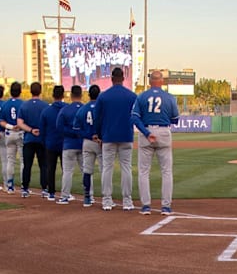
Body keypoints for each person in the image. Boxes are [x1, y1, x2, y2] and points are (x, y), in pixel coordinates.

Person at [131, 70, 180, 216]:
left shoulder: (142, 96)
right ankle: (166, 206)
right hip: (164, 132)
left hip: (146, 131)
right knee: (166, 171)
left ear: (150, 81)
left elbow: (134, 117)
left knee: (144, 171)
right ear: (162, 81)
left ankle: (146, 206)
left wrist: (147, 133)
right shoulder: (169, 98)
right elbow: (175, 119)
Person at [93, 67, 137, 211]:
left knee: (107, 168)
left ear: (111, 79)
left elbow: (97, 117)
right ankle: (127, 201)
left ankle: (106, 200)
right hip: (126, 136)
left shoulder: (104, 96)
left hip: (109, 136)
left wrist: (97, 134)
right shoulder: (131, 96)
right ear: (123, 78)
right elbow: (136, 116)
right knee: (126, 168)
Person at [17, 82, 48, 198]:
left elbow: (19, 123)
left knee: (27, 165)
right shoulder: (45, 105)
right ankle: (44, 188)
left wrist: (30, 130)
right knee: (43, 165)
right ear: (40, 91)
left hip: (29, 138)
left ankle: (25, 189)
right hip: (41, 139)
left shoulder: (25, 105)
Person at [73, 85, 101, 207]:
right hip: (100, 142)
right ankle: (107, 198)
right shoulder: (102, 108)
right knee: (104, 170)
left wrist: (88, 135)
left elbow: (76, 129)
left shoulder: (82, 109)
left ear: (88, 95)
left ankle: (87, 197)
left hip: (87, 142)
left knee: (87, 170)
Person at [55, 85, 84, 205]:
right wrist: (80, 133)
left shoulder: (65, 109)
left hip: (68, 144)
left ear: (71, 95)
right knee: (86, 171)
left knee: (67, 171)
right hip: (83, 143)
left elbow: (59, 127)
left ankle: (65, 196)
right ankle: (89, 196)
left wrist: (71, 133)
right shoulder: (85, 108)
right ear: (81, 95)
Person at [39, 85, 67, 201]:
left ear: (53, 95)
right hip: (64, 143)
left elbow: (42, 129)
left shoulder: (46, 111)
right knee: (66, 169)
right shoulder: (67, 108)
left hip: (50, 143)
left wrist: (43, 142)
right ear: (63, 95)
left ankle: (51, 193)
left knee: (50, 168)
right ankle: (66, 193)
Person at [0, 82, 24, 194]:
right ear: (20, 91)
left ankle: (10, 185)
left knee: (10, 160)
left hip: (9, 132)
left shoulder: (5, 104)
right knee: (23, 160)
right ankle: (24, 186)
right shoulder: (23, 104)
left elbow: (1, 122)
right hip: (20, 132)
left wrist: (11, 126)